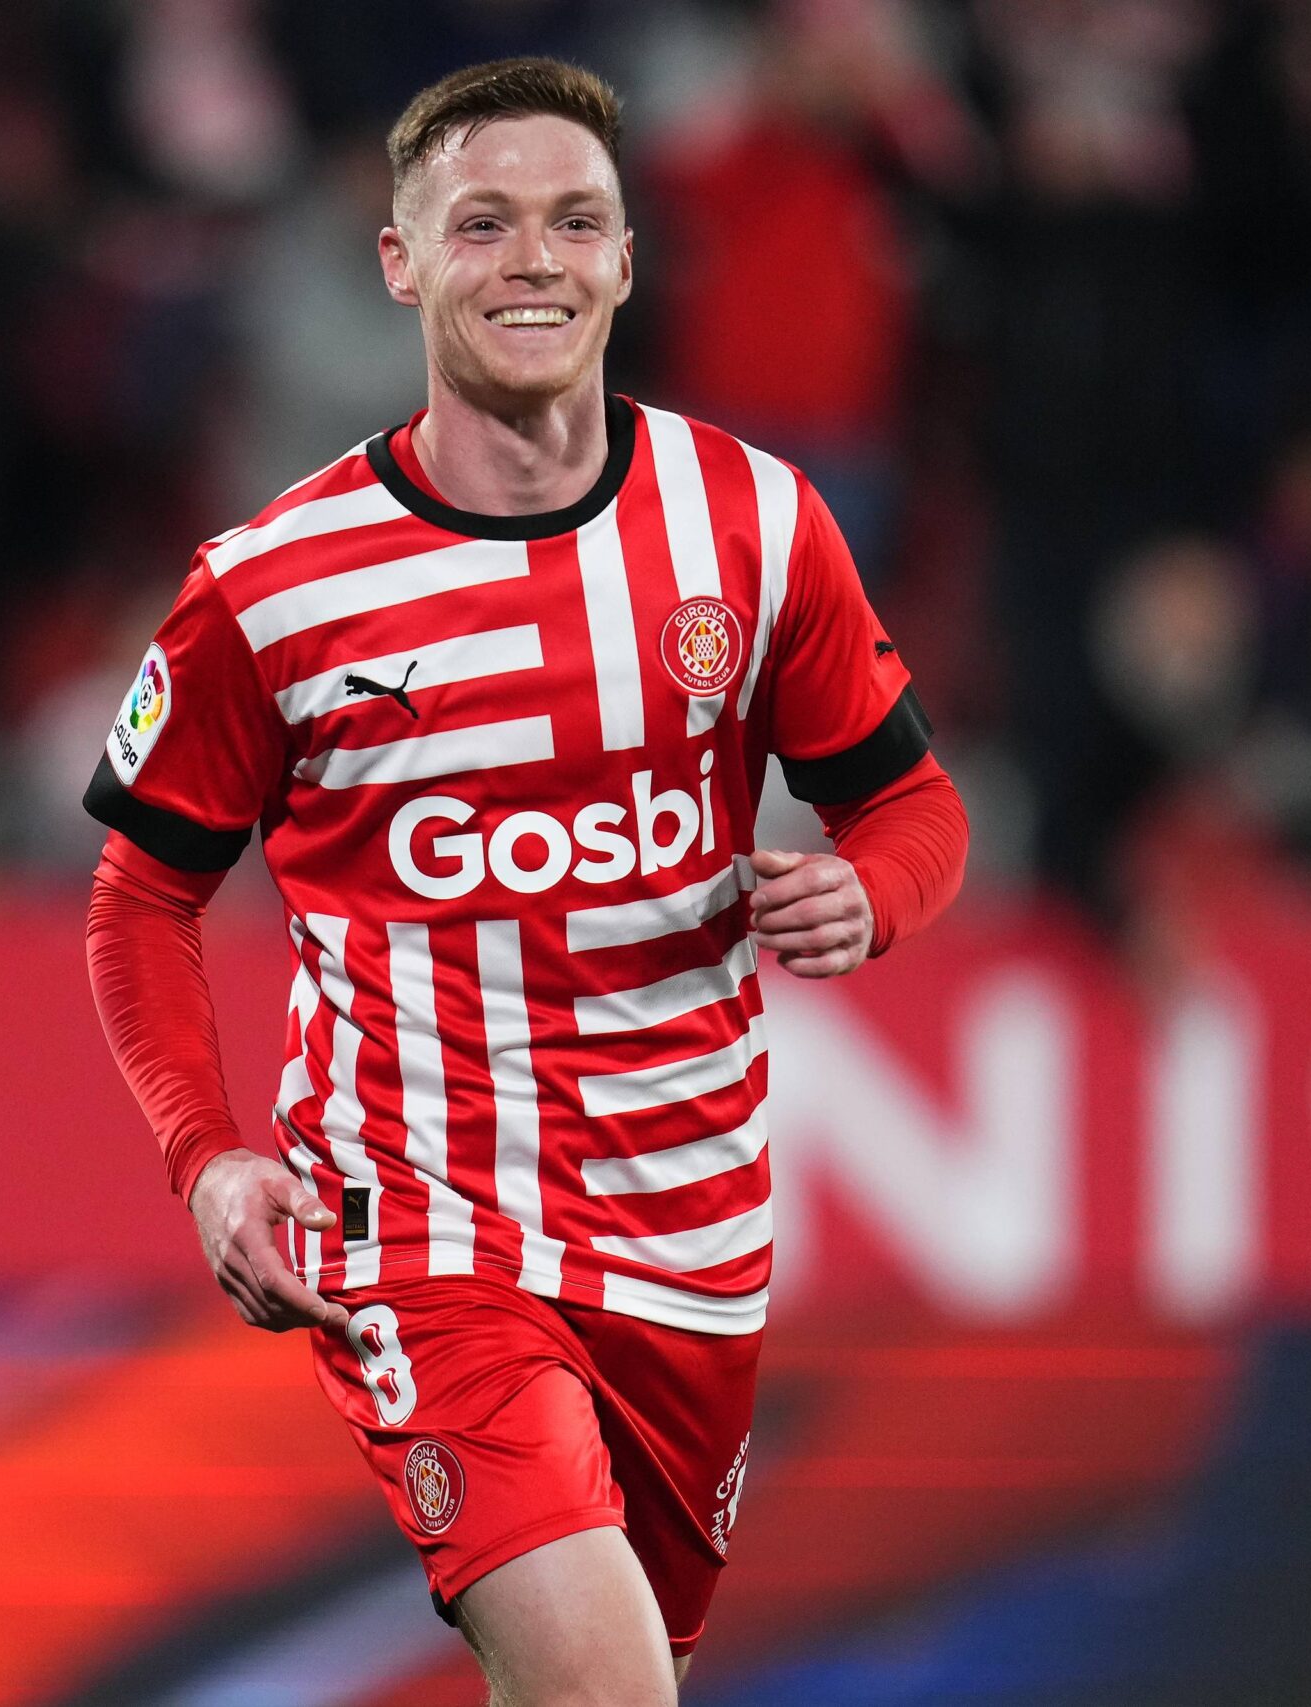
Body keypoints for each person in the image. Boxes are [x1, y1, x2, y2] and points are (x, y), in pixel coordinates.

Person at [84, 58, 967, 1705]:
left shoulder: (756, 526)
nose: (534, 261)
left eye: (574, 222)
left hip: (693, 1233)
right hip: (425, 1231)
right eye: (481, 225)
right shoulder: (269, 590)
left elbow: (912, 803)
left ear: (630, 259)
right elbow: (140, 896)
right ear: (401, 262)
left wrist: (874, 892)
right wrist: (206, 1159)